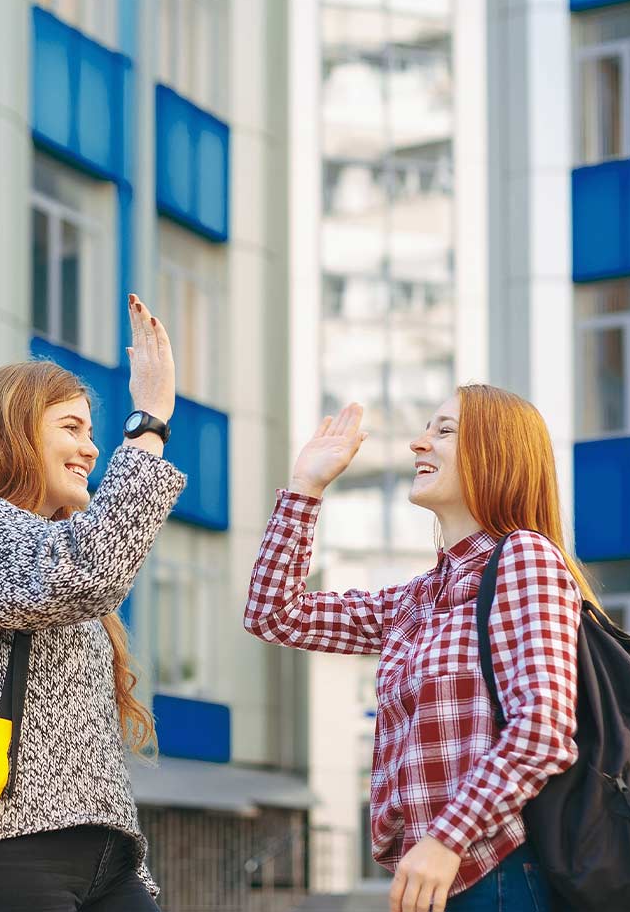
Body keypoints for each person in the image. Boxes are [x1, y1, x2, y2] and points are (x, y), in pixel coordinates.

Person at [243, 387, 590, 912]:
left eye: (443, 431)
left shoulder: (525, 556)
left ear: (496, 453)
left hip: (499, 869)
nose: (417, 443)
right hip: (433, 876)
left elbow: (543, 729)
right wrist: (305, 488)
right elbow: (273, 613)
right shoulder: (418, 598)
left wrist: (448, 838)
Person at [0, 295, 185, 912]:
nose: (92, 448)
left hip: (106, 859)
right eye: (71, 428)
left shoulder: (47, 546)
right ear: (13, 436)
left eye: (94, 431)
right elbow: (90, 571)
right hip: (6, 855)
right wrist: (149, 423)